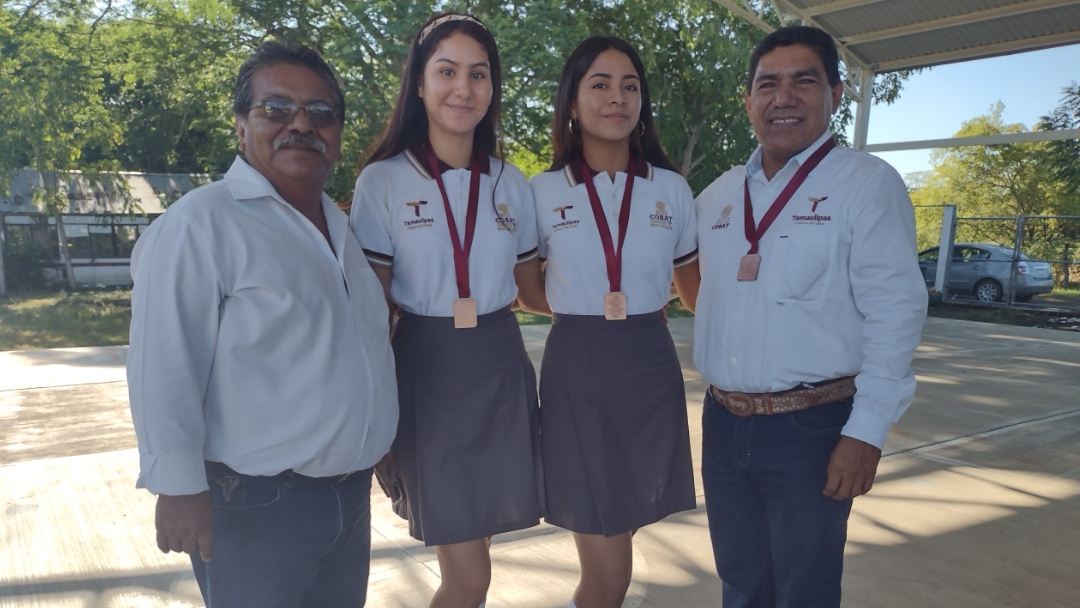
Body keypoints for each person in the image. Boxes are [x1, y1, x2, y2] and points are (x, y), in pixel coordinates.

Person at [126, 41, 398, 607]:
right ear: (241, 126)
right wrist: (178, 486)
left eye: (321, 112)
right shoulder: (201, 224)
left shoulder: (340, 230)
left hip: (348, 500)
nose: (301, 124)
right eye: (276, 108)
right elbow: (163, 362)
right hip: (254, 505)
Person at [691, 25, 928, 608]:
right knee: (741, 583)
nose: (784, 97)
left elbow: (895, 312)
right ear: (748, 100)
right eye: (767, 84)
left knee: (805, 590)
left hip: (812, 430)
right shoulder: (717, 196)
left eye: (804, 81)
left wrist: (866, 432)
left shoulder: (865, 185)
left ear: (835, 94)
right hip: (723, 423)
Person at [349, 13, 548, 608]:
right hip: (425, 375)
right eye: (447, 71)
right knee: (469, 577)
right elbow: (372, 310)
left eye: (478, 74)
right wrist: (376, 408)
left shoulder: (512, 183)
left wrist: (633, 299)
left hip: (501, 368)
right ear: (419, 82)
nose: (463, 88)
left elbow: (534, 292)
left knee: (477, 553)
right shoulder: (383, 181)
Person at [529, 36, 698, 608]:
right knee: (608, 571)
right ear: (572, 103)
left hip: (650, 365)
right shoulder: (541, 191)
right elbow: (527, 289)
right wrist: (586, 310)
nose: (617, 97)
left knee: (621, 534)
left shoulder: (671, 189)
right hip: (577, 369)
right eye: (599, 84)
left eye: (630, 86)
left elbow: (695, 293)